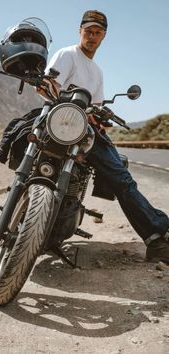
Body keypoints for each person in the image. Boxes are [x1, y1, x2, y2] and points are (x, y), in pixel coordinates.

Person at [41, 10, 169, 263]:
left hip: (83, 130)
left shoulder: (97, 72)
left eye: (97, 32)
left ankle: (156, 235)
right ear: (80, 31)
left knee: (121, 177)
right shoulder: (67, 55)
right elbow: (48, 85)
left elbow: (95, 107)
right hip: (61, 122)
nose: (92, 36)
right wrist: (67, 101)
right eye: (88, 31)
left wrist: (100, 120)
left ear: (104, 36)